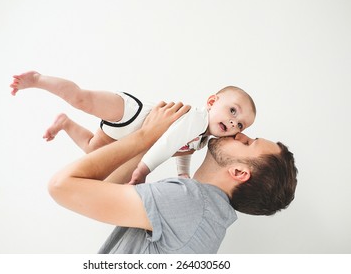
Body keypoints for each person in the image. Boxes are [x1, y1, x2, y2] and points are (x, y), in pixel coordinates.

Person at [47, 101, 298, 254]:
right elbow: (102, 188)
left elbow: (61, 187)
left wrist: (144, 135)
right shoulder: (205, 215)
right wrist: (158, 143)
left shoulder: (188, 203)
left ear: (240, 173)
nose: (241, 134)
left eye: (249, 142)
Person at [10, 71, 256, 184]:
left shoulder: (202, 139)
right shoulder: (198, 119)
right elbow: (169, 142)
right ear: (212, 102)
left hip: (128, 136)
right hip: (133, 113)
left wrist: (183, 173)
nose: (234, 122)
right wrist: (144, 169)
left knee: (93, 153)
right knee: (82, 99)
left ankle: (64, 123)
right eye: (233, 111)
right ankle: (39, 80)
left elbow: (183, 151)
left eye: (241, 124)